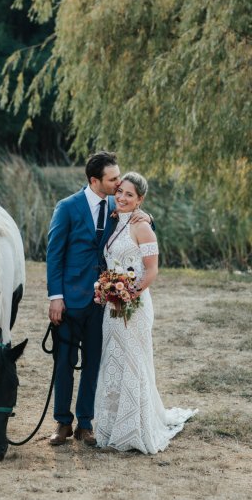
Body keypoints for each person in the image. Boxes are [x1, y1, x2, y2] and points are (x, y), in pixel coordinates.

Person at [47, 152, 153, 446]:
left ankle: (85, 423)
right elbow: (54, 255)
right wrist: (55, 297)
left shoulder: (116, 206)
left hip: (103, 302)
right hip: (68, 301)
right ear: (95, 180)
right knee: (64, 364)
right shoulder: (67, 208)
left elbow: (138, 229)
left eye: (119, 178)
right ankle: (62, 423)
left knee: (94, 363)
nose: (119, 184)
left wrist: (147, 217)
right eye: (113, 179)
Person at [94, 172, 197, 453]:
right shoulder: (114, 221)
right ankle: (112, 425)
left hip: (134, 305)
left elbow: (151, 270)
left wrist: (129, 294)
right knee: (114, 359)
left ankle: (135, 428)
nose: (123, 198)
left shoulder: (143, 228)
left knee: (134, 360)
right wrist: (111, 294)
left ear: (140, 199)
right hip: (111, 305)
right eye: (120, 192)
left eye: (130, 194)